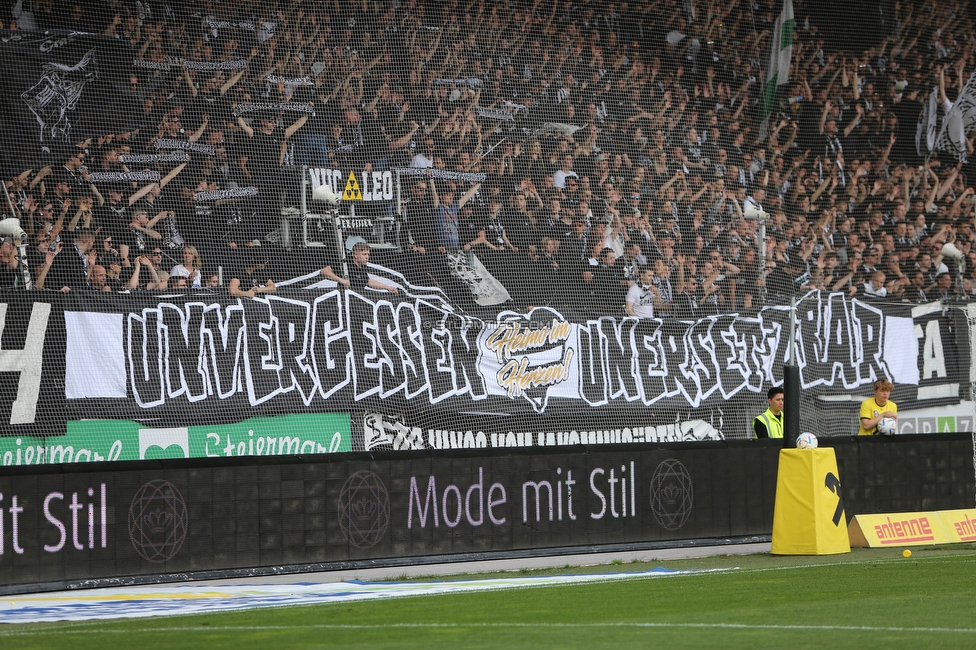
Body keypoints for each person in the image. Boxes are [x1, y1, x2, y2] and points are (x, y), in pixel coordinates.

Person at [320, 242, 399, 294]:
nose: (367, 257)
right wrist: (341, 280)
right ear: (355, 255)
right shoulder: (345, 264)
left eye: (368, 254)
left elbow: (368, 281)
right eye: (364, 254)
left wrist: (387, 287)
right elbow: (324, 271)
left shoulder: (363, 266)